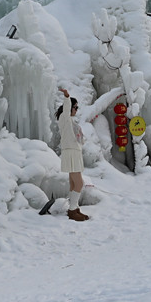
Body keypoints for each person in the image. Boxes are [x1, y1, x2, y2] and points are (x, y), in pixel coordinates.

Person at [56, 88, 88, 221]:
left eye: (77, 108)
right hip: (70, 153)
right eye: (75, 107)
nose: (76, 109)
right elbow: (67, 105)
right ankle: (72, 210)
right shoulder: (65, 119)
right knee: (80, 183)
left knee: (74, 184)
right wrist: (67, 96)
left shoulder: (72, 122)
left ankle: (74, 208)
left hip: (75, 153)